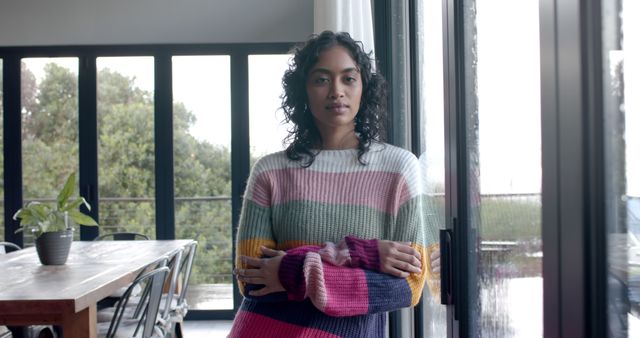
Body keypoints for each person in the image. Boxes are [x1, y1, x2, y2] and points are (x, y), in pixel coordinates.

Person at [229, 30, 440, 338]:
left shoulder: (399, 168)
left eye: (348, 79)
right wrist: (360, 255)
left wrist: (290, 270)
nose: (336, 91)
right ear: (303, 90)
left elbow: (408, 287)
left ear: (363, 88)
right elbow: (252, 279)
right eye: (321, 79)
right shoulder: (269, 171)